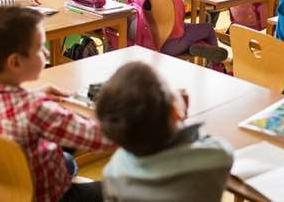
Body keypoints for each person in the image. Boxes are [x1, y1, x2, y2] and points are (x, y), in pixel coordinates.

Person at [0, 6, 113, 201]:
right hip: (44, 195)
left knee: (66, 159)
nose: (48, 54)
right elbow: (101, 139)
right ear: (15, 62)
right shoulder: (36, 109)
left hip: (1, 187)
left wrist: (34, 95)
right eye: (41, 48)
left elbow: (13, 112)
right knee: (118, 190)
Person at [96, 61, 233, 202]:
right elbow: (217, 146)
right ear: (174, 111)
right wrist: (181, 119)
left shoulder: (114, 171)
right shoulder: (216, 158)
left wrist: (174, 115)